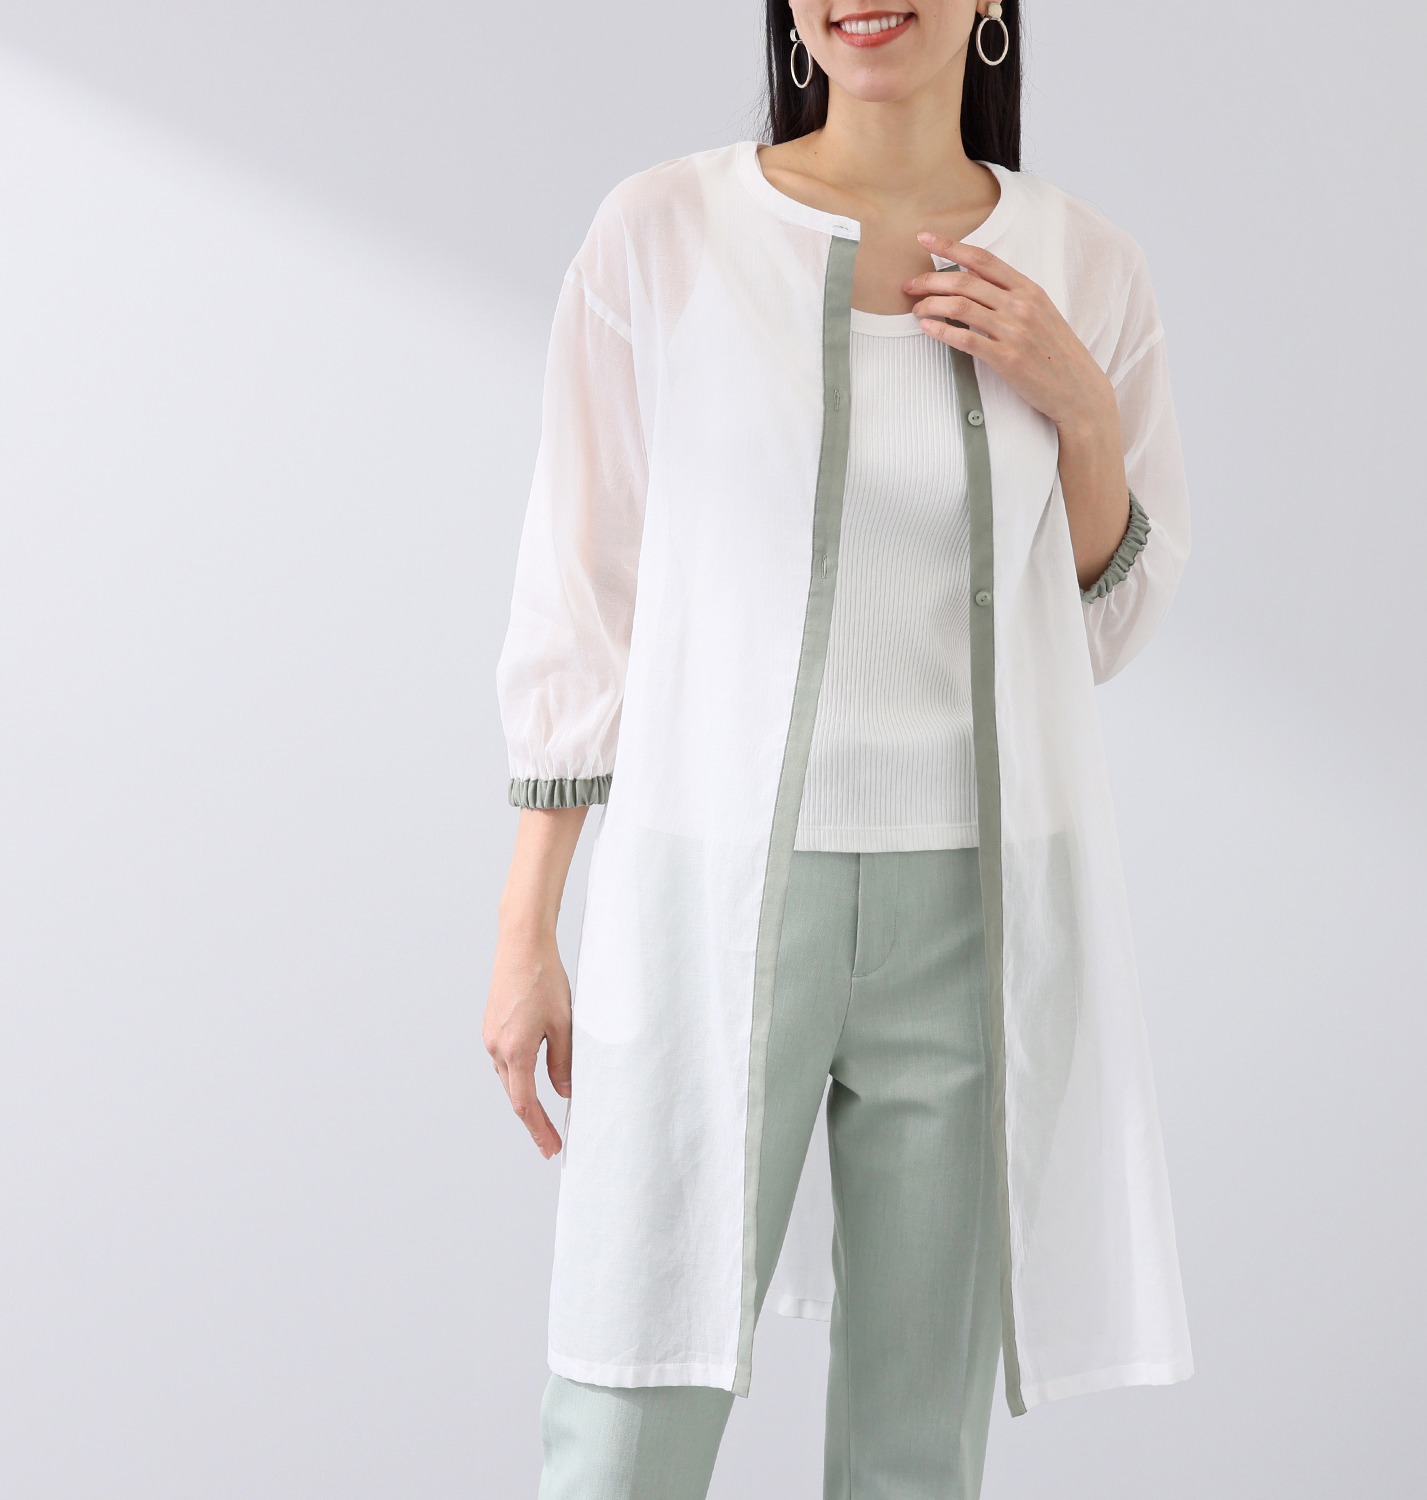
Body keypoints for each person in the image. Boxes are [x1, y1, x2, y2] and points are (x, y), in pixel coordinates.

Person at [483, 3, 1195, 1495]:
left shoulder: (1087, 266)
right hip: (710, 895)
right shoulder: (662, 235)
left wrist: (1079, 407)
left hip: (980, 906)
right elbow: (583, 594)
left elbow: (1103, 623)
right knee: (624, 1417)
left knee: (916, 1450)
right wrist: (527, 928)